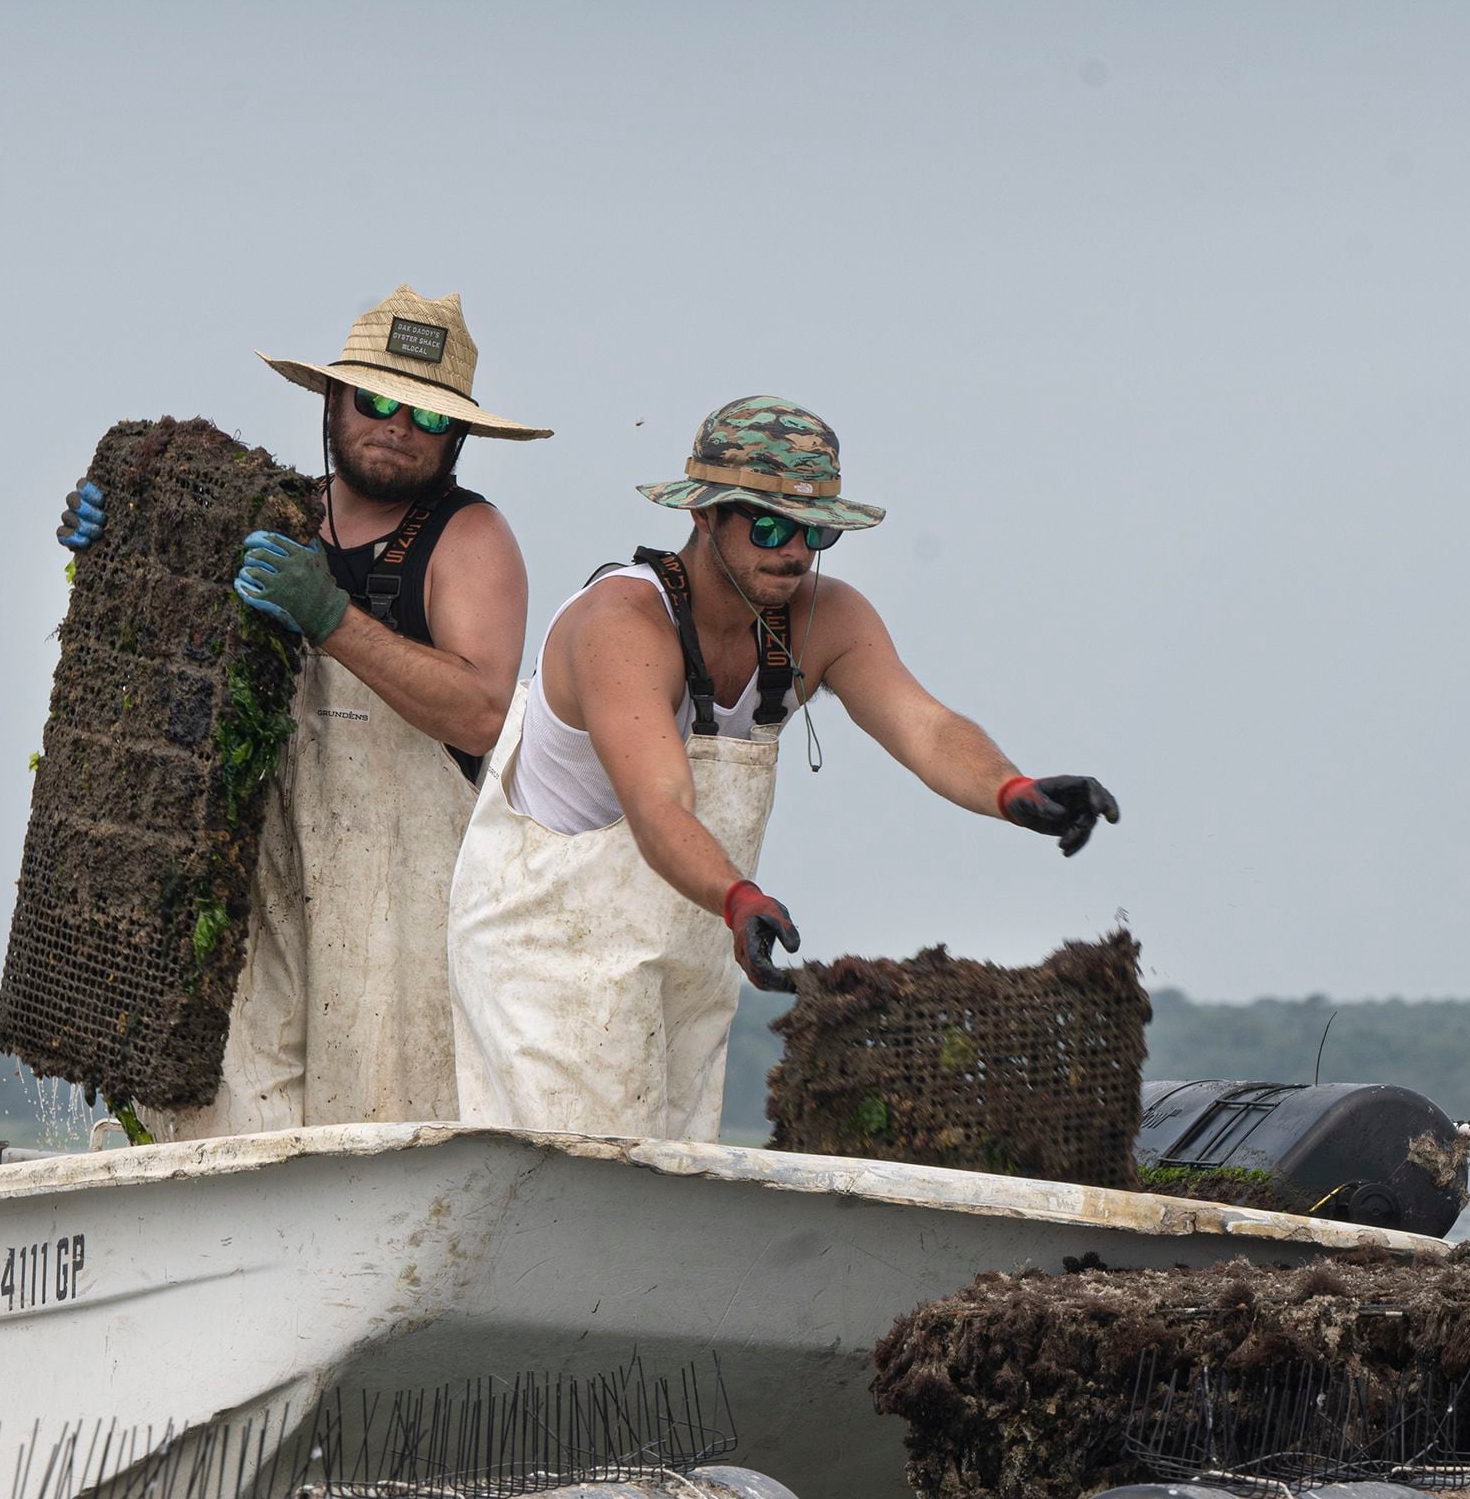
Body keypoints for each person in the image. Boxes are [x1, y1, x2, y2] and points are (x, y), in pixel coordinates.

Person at [448, 395, 1118, 1141]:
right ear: (704, 516)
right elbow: (658, 802)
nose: (793, 551)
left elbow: (923, 727)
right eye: (767, 526)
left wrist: (1012, 789)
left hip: (692, 944)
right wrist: (737, 895)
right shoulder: (621, 626)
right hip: (544, 948)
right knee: (575, 1173)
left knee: (671, 1182)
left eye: (814, 530)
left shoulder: (824, 618)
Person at [56, 286, 544, 1134]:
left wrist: (331, 617)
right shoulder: (262, 517)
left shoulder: (469, 539)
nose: (397, 426)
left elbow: (481, 715)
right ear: (333, 398)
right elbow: (154, 656)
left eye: (427, 417)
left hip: (399, 920)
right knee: (217, 1121)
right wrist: (122, 540)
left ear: (458, 436)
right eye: (379, 400)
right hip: (246, 886)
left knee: (387, 1132)